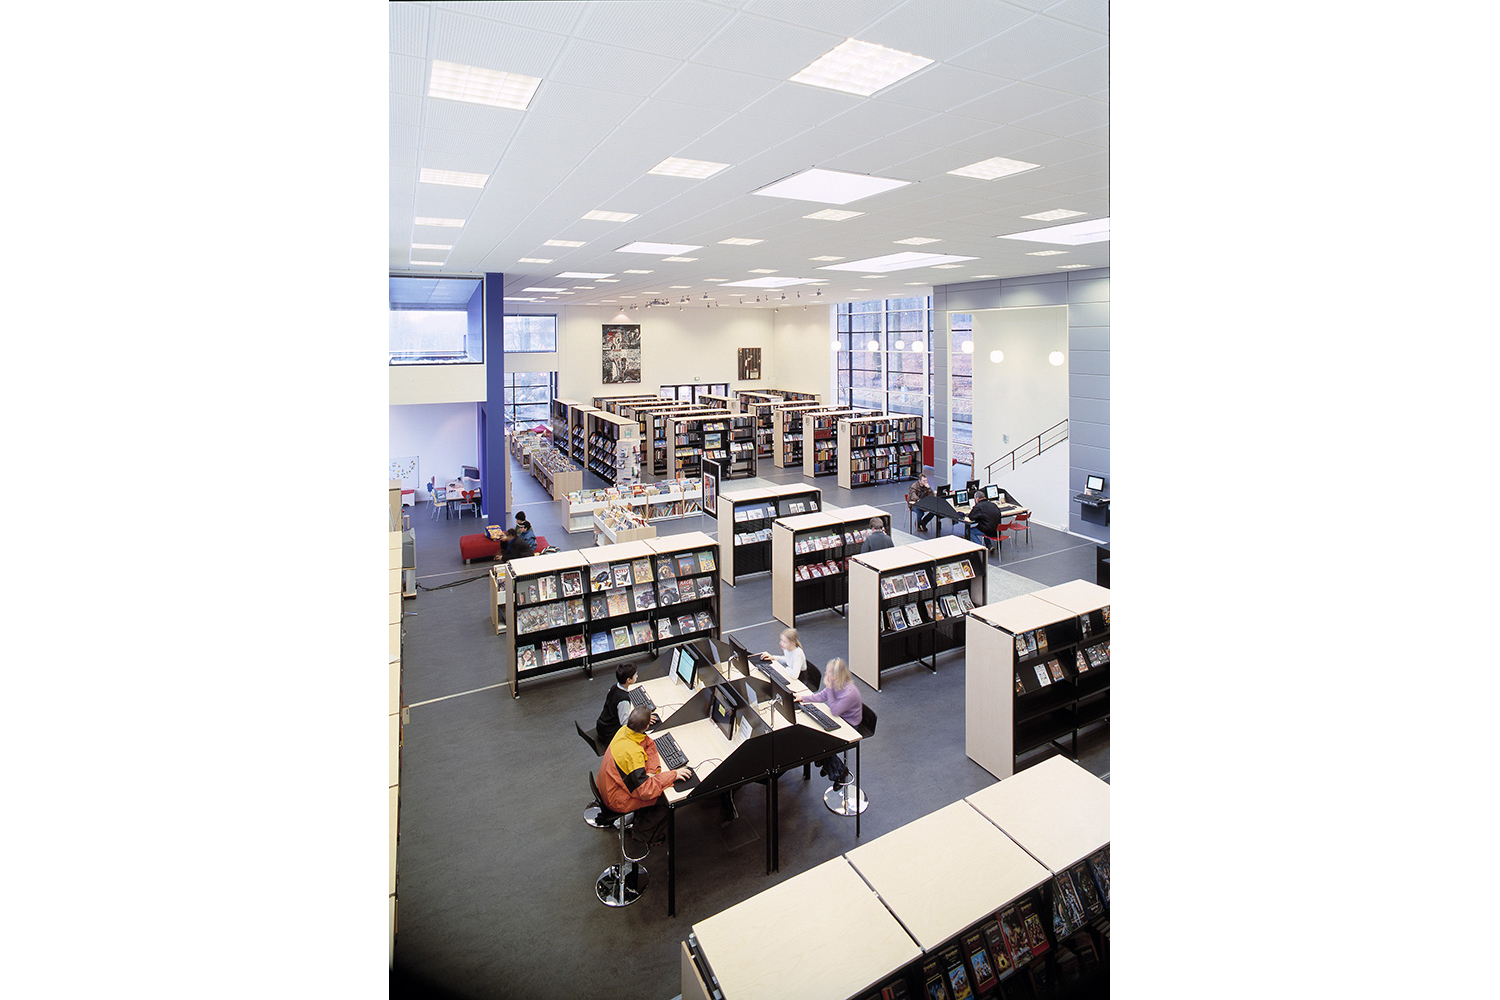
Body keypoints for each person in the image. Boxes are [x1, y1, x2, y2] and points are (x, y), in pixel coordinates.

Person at [596, 705, 691, 843]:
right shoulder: (632, 754)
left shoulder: (624, 731)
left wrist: (652, 771)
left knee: (656, 787)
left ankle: (641, 818)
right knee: (667, 801)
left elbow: (647, 744)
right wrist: (673, 775)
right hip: (617, 800)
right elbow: (645, 791)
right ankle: (644, 834)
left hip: (608, 786)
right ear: (647, 726)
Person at [796, 657, 863, 786]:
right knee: (814, 736)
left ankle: (839, 772)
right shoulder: (836, 684)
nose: (826, 674)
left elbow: (834, 710)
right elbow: (821, 696)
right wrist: (802, 698)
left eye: (829, 672)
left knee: (822, 741)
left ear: (836, 676)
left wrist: (830, 688)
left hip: (850, 725)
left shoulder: (849, 693)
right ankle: (827, 765)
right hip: (840, 719)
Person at [595, 662, 655, 747]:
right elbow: (624, 723)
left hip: (603, 726)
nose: (637, 676)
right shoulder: (623, 700)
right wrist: (643, 719)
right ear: (628, 680)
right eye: (635, 675)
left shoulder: (615, 687)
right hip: (610, 734)